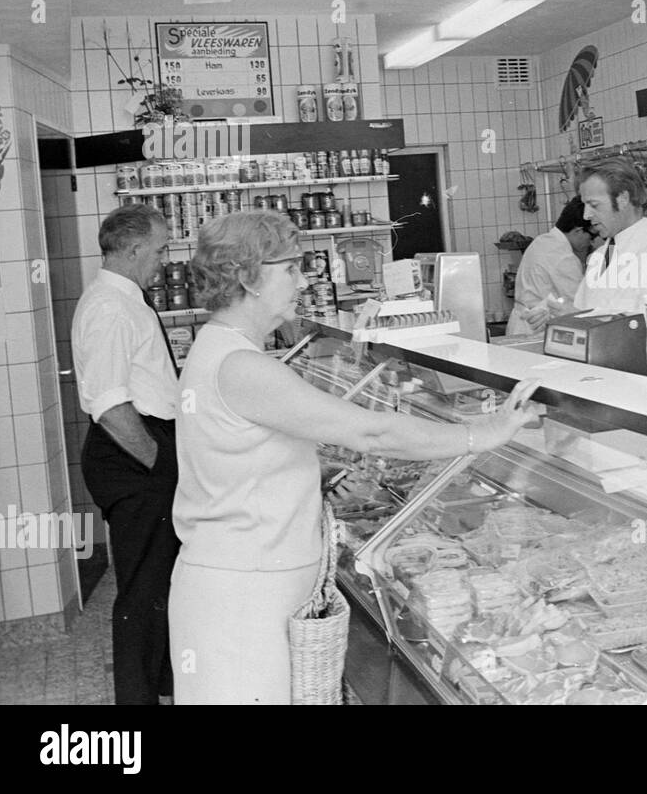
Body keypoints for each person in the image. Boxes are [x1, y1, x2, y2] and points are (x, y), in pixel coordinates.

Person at [170, 211, 540, 704]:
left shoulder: (224, 350)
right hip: (242, 598)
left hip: (248, 582)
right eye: (291, 268)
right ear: (247, 277)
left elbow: (235, 455)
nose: (305, 281)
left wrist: (309, 472)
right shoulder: (241, 365)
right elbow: (374, 430)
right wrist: (481, 434)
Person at [71, 204, 179, 705]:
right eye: (159, 249)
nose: (162, 259)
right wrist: (159, 462)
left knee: (155, 580)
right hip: (131, 453)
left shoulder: (120, 300)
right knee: (142, 587)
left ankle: (160, 686)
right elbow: (111, 406)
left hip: (137, 449)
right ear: (134, 249)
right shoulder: (111, 308)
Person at [574, 159, 647, 314]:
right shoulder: (600, 257)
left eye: (594, 205)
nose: (586, 215)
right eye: (584, 205)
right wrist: (560, 315)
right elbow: (583, 313)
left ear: (623, 199)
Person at [505, 197, 595, 336]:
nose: (590, 243)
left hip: (521, 323)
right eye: (592, 237)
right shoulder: (563, 256)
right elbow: (578, 305)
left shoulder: (542, 240)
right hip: (536, 327)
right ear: (578, 231)